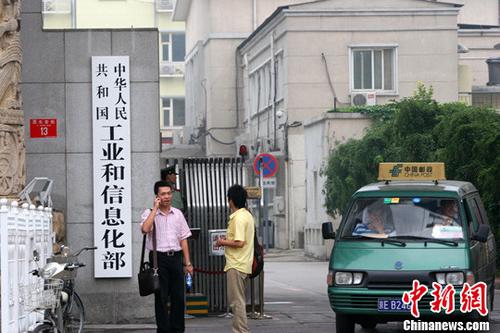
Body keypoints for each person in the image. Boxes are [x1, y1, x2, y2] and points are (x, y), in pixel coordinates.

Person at [141, 180, 193, 333]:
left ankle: (177, 329)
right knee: (161, 297)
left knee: (178, 296)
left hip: (175, 257)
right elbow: (145, 229)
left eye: (169, 193)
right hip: (158, 259)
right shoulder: (149, 213)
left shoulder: (177, 214)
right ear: (157, 196)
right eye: (163, 194)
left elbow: (183, 239)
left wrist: (188, 262)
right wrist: (155, 209)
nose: (167, 197)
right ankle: (163, 329)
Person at [216, 185, 254, 333]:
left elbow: (239, 242)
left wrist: (222, 242)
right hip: (244, 263)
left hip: (236, 264)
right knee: (239, 300)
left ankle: (241, 331)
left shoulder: (238, 218)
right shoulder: (247, 215)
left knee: (236, 302)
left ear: (230, 200)